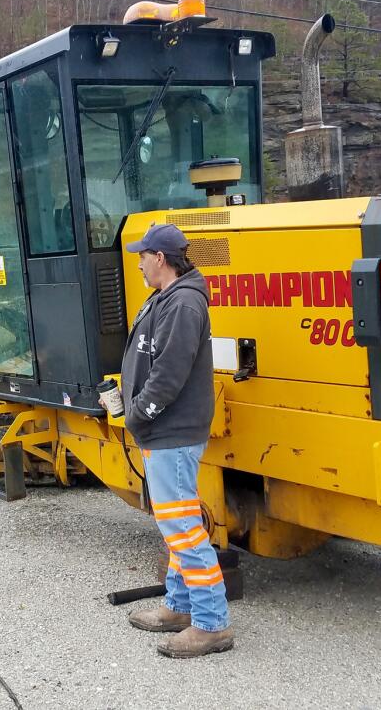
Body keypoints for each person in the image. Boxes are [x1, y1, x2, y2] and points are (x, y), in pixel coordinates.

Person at [114, 222, 232, 658]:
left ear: (160, 258)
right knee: (175, 524)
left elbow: (169, 373)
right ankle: (181, 606)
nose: (140, 264)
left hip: (170, 431)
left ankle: (211, 623)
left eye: (143, 256)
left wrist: (139, 412)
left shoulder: (182, 303)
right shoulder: (167, 297)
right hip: (162, 430)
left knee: (183, 526)